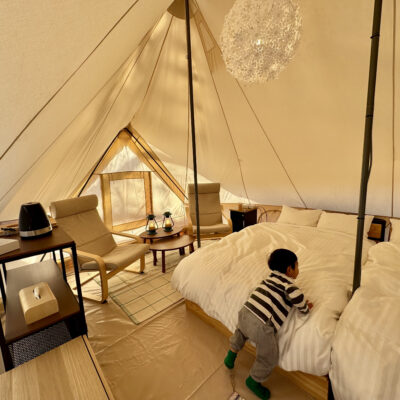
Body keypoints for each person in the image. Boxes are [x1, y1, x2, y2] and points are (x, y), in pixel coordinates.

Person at [224, 248, 313, 400]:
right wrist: (306, 308)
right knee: (269, 356)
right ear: (289, 269)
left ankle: (230, 356)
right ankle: (253, 380)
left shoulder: (268, 278)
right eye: (297, 266)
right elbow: (298, 300)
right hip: (261, 325)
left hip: (245, 313)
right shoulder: (290, 286)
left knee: (240, 333)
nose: (299, 269)